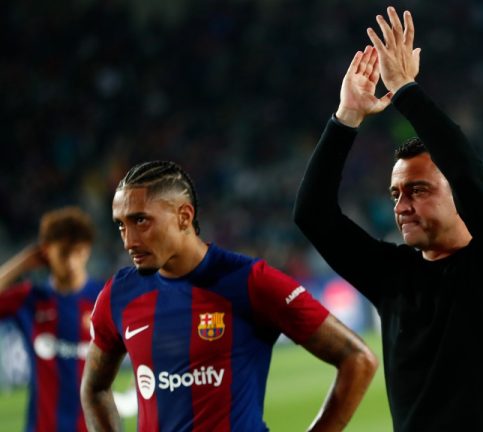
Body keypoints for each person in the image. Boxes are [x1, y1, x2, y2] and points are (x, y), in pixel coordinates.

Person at [294, 7, 483, 431]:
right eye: (396, 193)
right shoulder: (392, 276)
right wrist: (347, 117)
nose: (401, 205)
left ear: (458, 197)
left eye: (419, 190)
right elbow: (313, 214)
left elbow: (467, 172)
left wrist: (406, 90)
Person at [81, 160, 378, 431]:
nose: (129, 240)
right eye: (121, 225)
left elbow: (358, 359)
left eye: (141, 221)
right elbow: (94, 389)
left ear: (184, 216)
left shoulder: (250, 282)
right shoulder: (119, 295)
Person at [0, 206, 103, 432]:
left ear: (88, 250)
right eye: (64, 253)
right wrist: (24, 262)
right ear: (46, 251)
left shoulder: (104, 297)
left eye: (79, 251)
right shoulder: (29, 298)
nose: (72, 262)